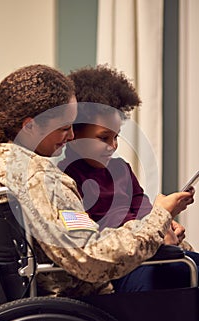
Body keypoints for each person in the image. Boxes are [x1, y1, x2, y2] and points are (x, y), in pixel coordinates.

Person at [0, 64, 194, 298]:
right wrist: (159, 217)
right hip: (87, 303)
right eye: (65, 128)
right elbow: (91, 256)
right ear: (30, 126)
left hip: (48, 294)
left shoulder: (0, 162)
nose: (72, 136)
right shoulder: (40, 179)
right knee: (187, 267)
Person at [58, 65, 197, 291]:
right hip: (118, 270)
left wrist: (167, 222)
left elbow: (144, 211)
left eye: (116, 137)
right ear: (74, 133)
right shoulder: (65, 180)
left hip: (148, 255)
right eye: (104, 138)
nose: (113, 146)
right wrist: (155, 232)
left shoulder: (121, 169)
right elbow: (91, 244)